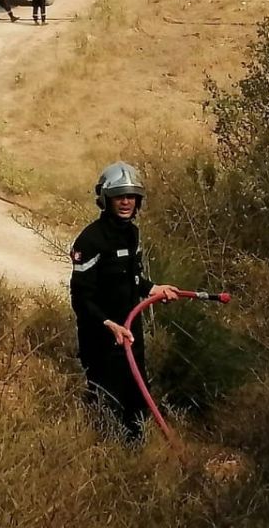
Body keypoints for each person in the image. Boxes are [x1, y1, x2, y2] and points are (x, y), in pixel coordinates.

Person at [70, 161, 180, 440]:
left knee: (136, 401)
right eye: (120, 196)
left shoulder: (132, 234)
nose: (126, 202)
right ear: (106, 199)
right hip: (102, 338)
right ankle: (101, 457)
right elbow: (81, 298)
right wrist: (109, 325)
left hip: (132, 334)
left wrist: (153, 288)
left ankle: (135, 457)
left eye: (131, 196)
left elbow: (132, 278)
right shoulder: (90, 240)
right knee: (106, 402)